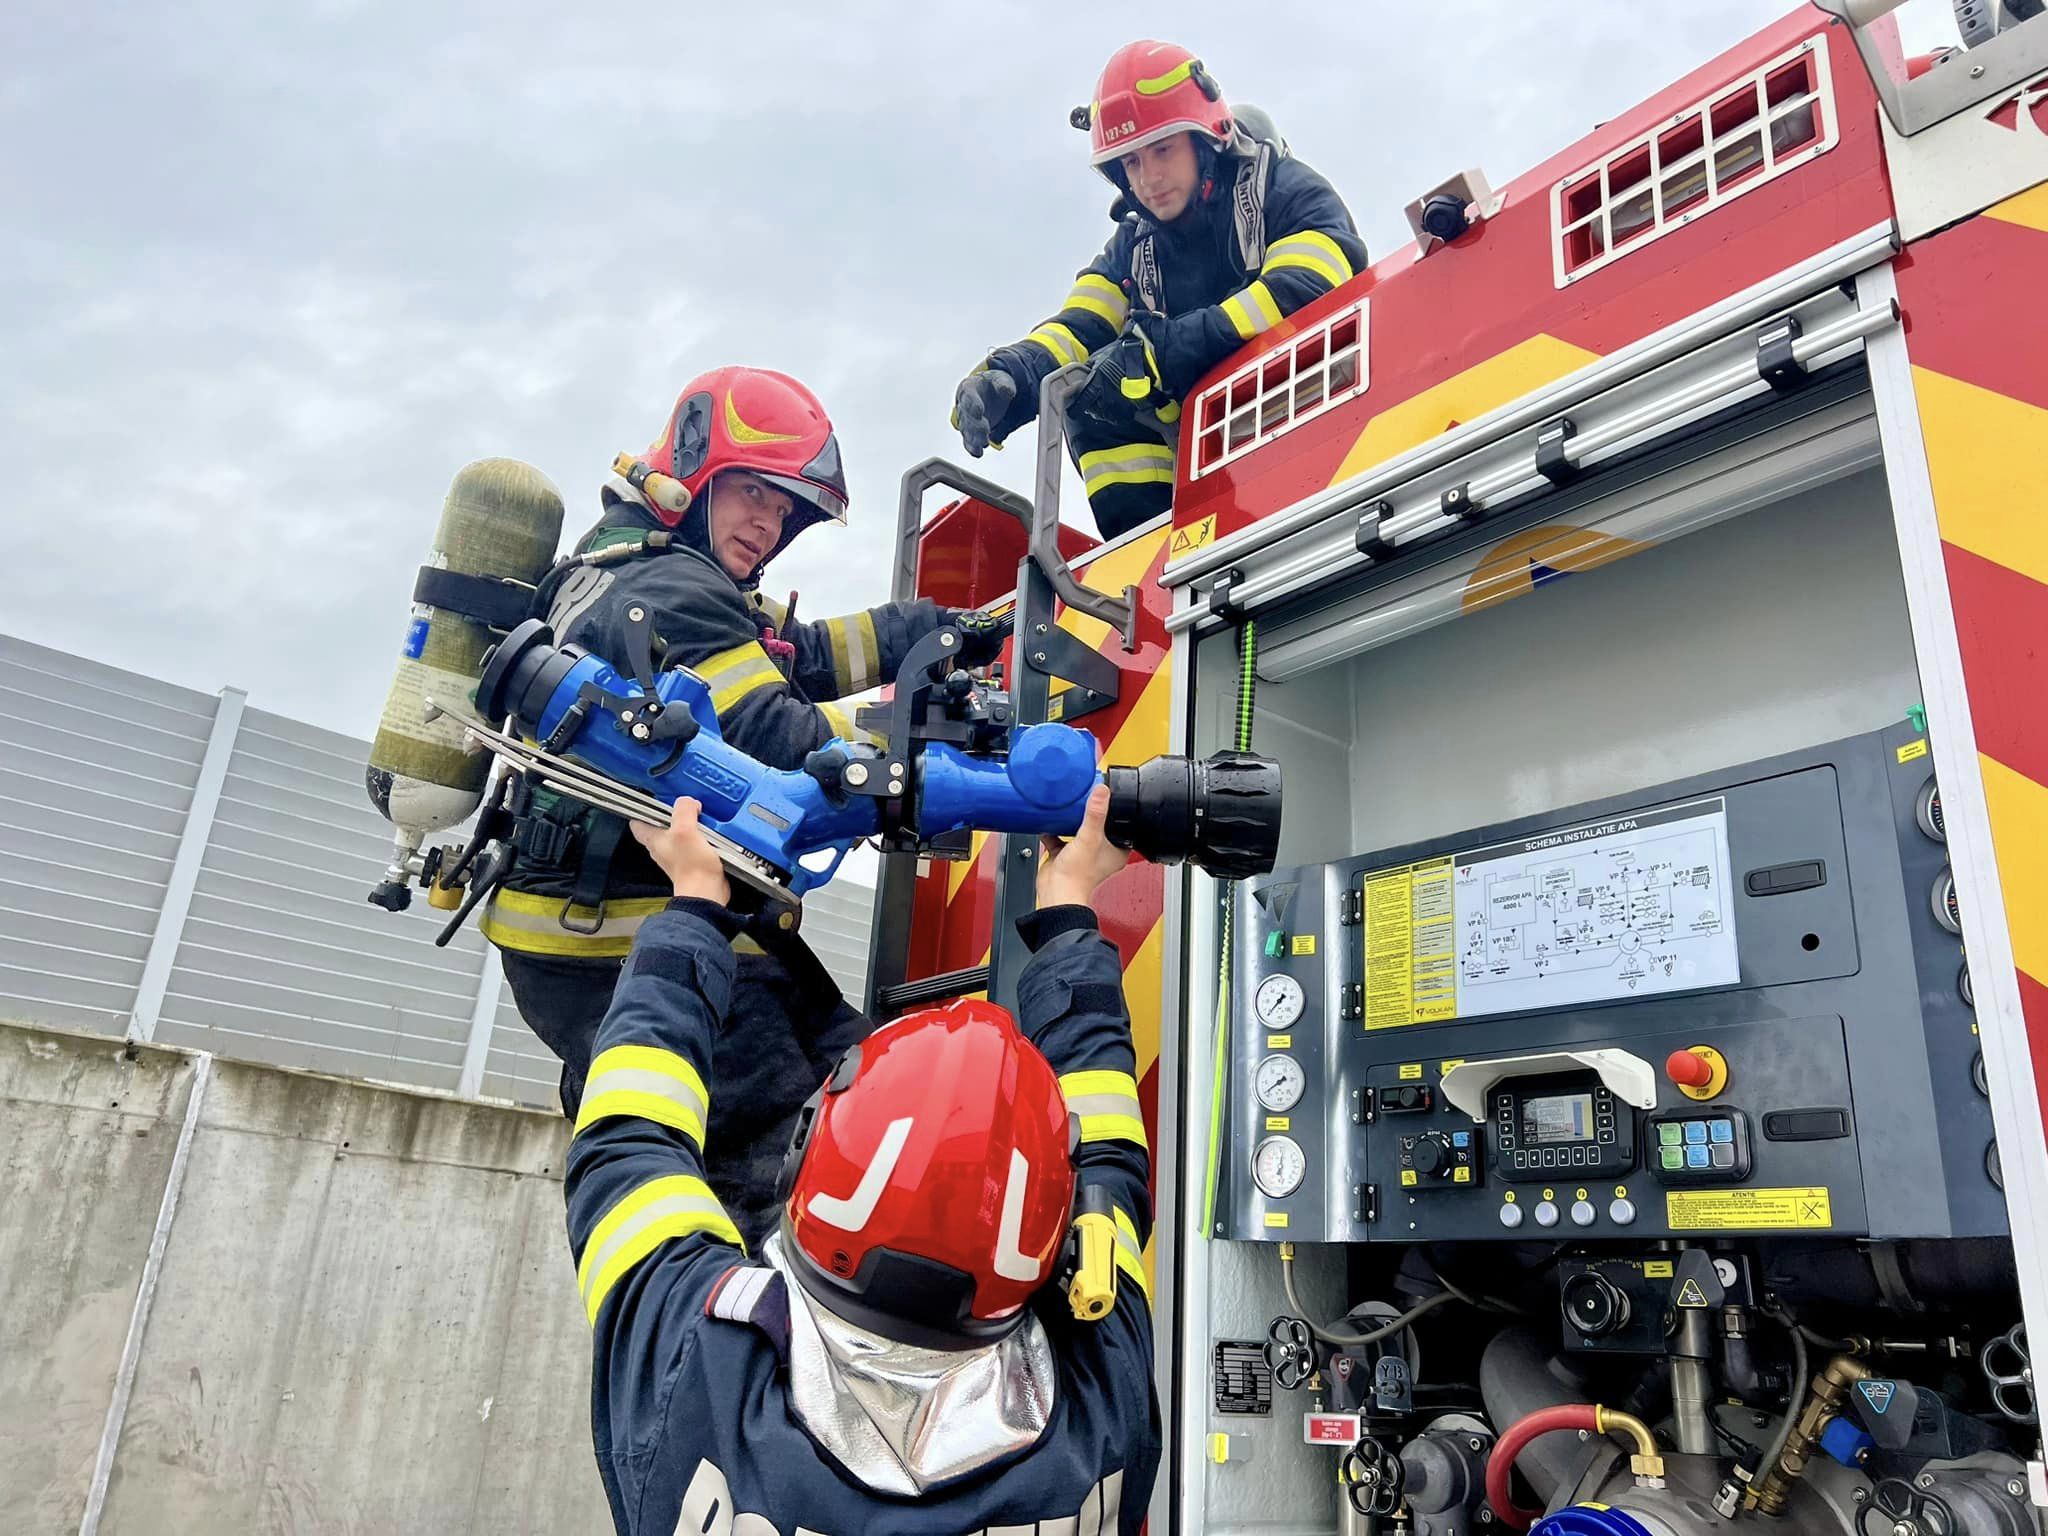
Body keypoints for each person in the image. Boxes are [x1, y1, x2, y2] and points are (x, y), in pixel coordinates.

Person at [480, 365, 1000, 1247]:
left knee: (856, 1071)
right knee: (785, 1162)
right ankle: (772, 1356)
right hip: (618, 938)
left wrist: (938, 629)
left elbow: (793, 649)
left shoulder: (644, 571)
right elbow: (782, 736)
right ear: (696, 472)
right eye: (754, 494)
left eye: (785, 509)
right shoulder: (668, 593)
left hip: (635, 925)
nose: (768, 523)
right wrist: (951, 738)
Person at [565, 784, 1158, 1534]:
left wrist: (693, 903)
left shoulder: (699, 1356)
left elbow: (630, 1131)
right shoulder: (1101, 1397)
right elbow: (624, 1142)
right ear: (1047, 1240)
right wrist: (1068, 906)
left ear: (806, 1152)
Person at [952, 40, 1368, 541]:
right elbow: (1079, 327)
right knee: (1092, 392)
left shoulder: (1283, 189)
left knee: (1119, 371)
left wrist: (1168, 351)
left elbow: (1307, 286)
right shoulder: (1133, 245)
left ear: (1204, 139)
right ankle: (1147, 551)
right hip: (1203, 466)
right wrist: (1008, 380)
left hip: (1318, 429)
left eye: (1162, 150)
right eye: (1130, 162)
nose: (1148, 179)